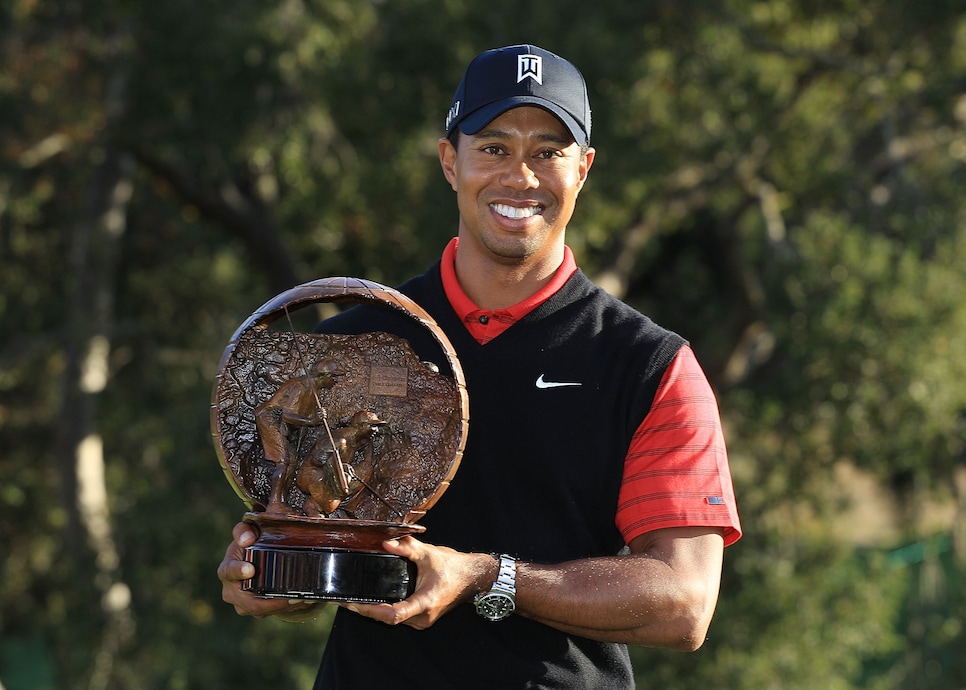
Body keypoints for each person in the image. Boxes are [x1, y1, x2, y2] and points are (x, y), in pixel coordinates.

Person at [218, 44, 741, 688]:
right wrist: (270, 573)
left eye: (547, 151)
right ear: (449, 160)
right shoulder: (355, 344)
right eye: (493, 147)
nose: (519, 177)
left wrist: (485, 579)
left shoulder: (650, 366)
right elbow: (311, 541)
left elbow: (684, 603)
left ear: (583, 169)